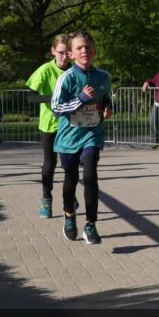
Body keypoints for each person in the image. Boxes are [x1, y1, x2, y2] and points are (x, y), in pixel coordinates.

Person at [51, 32, 113, 245]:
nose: (84, 51)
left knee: (89, 176)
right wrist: (80, 99)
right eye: (79, 48)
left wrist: (108, 108)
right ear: (70, 54)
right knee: (70, 180)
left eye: (87, 47)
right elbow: (56, 108)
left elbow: (105, 98)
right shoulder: (66, 78)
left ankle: (90, 224)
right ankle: (69, 215)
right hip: (69, 138)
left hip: (92, 135)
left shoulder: (103, 76)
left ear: (94, 50)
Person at [26, 35, 74, 218]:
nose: (64, 57)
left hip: (70, 125)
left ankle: (69, 197)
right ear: (53, 51)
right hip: (49, 124)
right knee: (49, 164)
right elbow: (30, 96)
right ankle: (46, 198)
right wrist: (53, 99)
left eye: (67, 53)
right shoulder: (46, 70)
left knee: (70, 164)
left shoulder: (75, 71)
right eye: (60, 53)